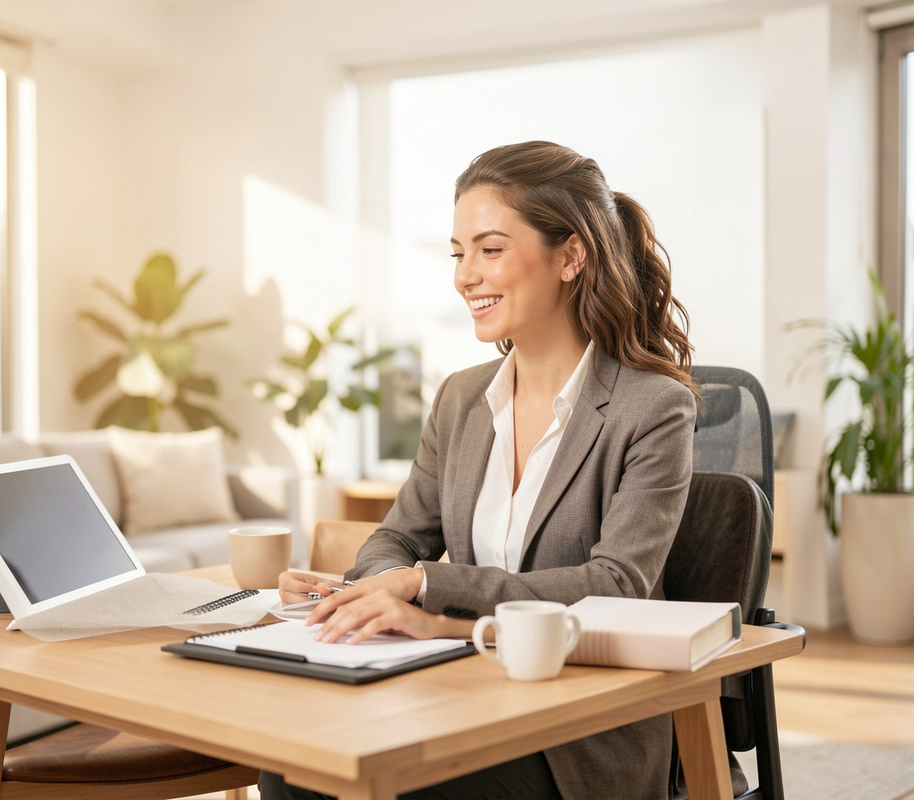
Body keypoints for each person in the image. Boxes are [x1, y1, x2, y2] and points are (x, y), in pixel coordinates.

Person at [259, 141, 703, 800]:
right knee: (296, 770)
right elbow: (397, 539)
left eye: (490, 250)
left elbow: (615, 584)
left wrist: (427, 589)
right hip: (457, 684)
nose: (466, 275)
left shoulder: (652, 407)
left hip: (580, 725)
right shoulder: (463, 398)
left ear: (571, 256)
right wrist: (377, 592)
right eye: (458, 252)